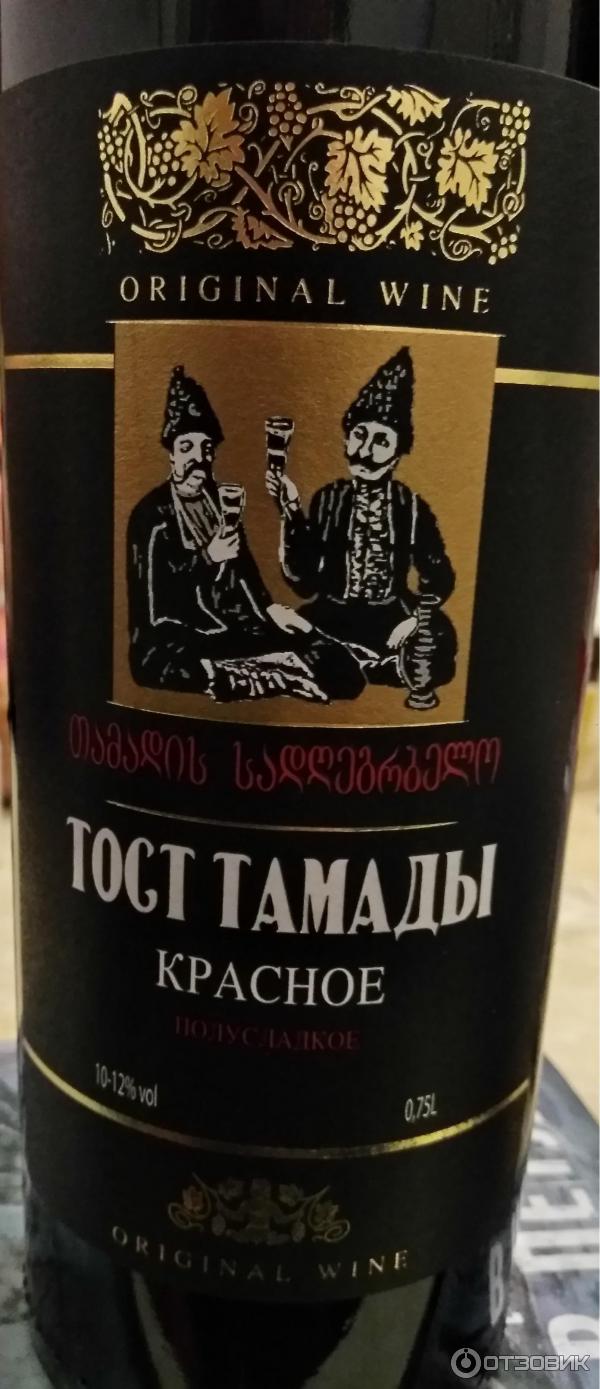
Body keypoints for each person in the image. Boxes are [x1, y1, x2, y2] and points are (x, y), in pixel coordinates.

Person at [127, 366, 364, 703]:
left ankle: (266, 671)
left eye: (206, 448)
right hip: (178, 640)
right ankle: (268, 675)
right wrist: (208, 558)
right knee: (174, 664)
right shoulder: (152, 514)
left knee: (341, 670)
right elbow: (157, 605)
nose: (198, 458)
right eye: (187, 447)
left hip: (233, 630)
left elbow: (246, 573)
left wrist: (268, 609)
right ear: (172, 453)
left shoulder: (221, 501)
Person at [267, 348, 457, 709]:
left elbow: (439, 577)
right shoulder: (329, 498)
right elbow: (303, 581)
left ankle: (347, 663)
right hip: (331, 616)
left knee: (439, 640)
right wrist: (290, 510)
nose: (365, 451)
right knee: (270, 625)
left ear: (398, 452)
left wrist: (416, 621)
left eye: (381, 441)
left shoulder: (411, 507)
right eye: (359, 435)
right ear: (346, 439)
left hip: (390, 620)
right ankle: (363, 664)